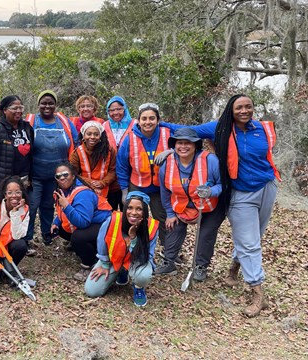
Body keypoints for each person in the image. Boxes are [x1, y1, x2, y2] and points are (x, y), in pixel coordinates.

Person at [159, 94, 281, 317]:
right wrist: (158, 125)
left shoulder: (263, 129)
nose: (244, 111)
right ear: (231, 110)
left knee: (256, 236)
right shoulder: (220, 128)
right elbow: (187, 130)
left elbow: (266, 157)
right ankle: (258, 293)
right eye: (239, 108)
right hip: (239, 192)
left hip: (267, 187)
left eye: (248, 107)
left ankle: (233, 270)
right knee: (248, 242)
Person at [156, 128, 224, 280]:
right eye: (180, 143)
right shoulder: (167, 164)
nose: (183, 147)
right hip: (181, 206)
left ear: (195, 145)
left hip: (209, 207)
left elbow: (222, 184)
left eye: (188, 143)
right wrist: (170, 213)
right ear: (174, 145)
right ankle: (168, 262)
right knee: (172, 227)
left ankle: (200, 266)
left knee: (206, 234)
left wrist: (210, 191)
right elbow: (165, 191)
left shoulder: (210, 161)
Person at [24, 90, 79, 247]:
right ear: (38, 104)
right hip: (35, 174)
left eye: (50, 103)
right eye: (44, 103)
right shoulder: (31, 121)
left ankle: (47, 233)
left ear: (55, 105)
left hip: (58, 176)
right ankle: (26, 237)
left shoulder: (64, 122)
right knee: (32, 206)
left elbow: (76, 142)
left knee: (49, 205)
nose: (47, 106)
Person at [84, 191, 158, 307]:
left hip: (136, 261)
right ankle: (121, 272)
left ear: (145, 211)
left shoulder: (152, 227)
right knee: (92, 291)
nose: (133, 213)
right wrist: (104, 264)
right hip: (112, 261)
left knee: (143, 275)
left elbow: (146, 257)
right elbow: (102, 241)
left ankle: (139, 288)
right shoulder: (113, 220)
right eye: (130, 208)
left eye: (139, 209)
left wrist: (133, 238)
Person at [116, 102, 170, 243]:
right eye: (144, 119)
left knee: (163, 219)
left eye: (152, 118)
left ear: (158, 120)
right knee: (134, 217)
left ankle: (167, 249)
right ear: (138, 121)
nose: (148, 122)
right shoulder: (130, 138)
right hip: (137, 185)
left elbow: (186, 147)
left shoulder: (168, 134)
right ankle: (133, 245)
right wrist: (124, 191)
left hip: (160, 187)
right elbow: (121, 166)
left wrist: (171, 151)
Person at [50, 163, 111, 281]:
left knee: (78, 237)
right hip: (91, 224)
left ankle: (88, 264)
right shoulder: (63, 191)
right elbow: (62, 211)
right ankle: (87, 248)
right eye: (58, 176)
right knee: (61, 229)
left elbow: (84, 222)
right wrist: (56, 222)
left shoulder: (83, 194)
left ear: (73, 176)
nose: (62, 178)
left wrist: (66, 206)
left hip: (105, 225)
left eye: (65, 174)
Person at [0, 95, 34, 200]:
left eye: (20, 108)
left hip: (23, 180)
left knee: (20, 211)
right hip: (1, 182)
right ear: (5, 110)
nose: (18, 111)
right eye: (14, 108)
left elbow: (31, 152)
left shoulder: (27, 127)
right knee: (1, 212)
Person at [69, 121, 116, 210]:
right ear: (83, 136)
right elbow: (73, 174)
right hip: (84, 191)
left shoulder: (110, 151)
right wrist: (90, 183)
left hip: (107, 191)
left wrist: (102, 183)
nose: (92, 137)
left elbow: (113, 170)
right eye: (89, 134)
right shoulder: (76, 153)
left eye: (96, 134)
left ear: (100, 136)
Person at [103, 96, 137, 210]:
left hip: (130, 174)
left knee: (128, 209)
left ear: (125, 109)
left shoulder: (135, 125)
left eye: (119, 109)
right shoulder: (104, 126)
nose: (115, 113)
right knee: (109, 209)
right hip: (110, 175)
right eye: (111, 110)